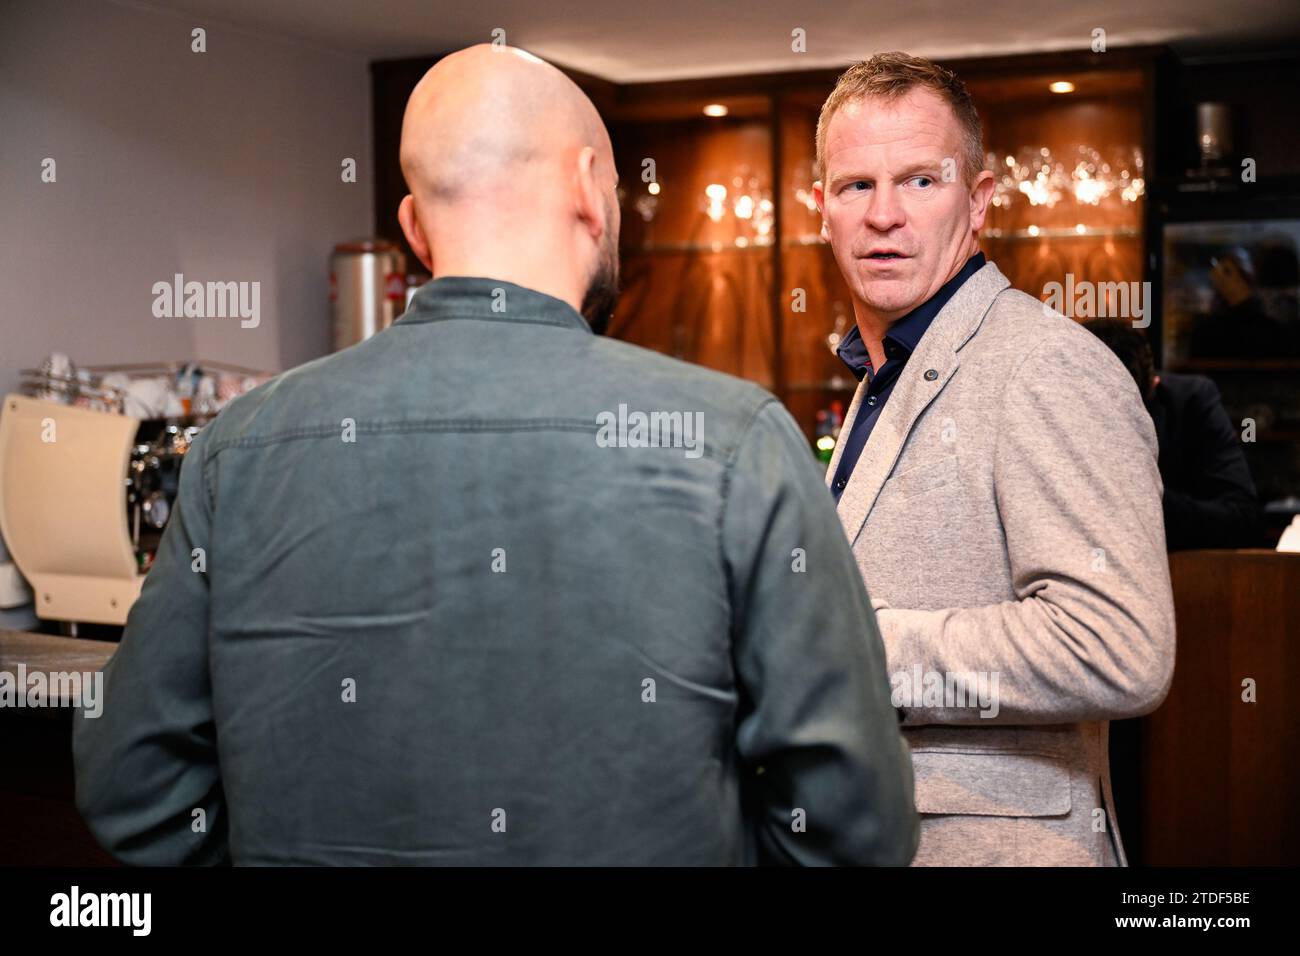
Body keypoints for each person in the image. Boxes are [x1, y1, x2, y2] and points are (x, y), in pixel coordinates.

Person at [72, 44, 918, 866]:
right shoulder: (733, 441)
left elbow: (132, 784)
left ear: (412, 226)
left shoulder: (239, 448)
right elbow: (854, 823)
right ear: (590, 189)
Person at [812, 52, 1175, 866]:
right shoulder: (882, 378)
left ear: (978, 205)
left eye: (920, 181)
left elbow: (1120, 647)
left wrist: (855, 649)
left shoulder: (1046, 365)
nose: (883, 215)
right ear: (822, 209)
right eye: (855, 186)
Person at [1083, 318, 1260, 549]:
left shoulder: (1189, 401)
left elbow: (1243, 520)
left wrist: (1142, 496)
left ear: (1153, 386)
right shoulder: (1055, 412)